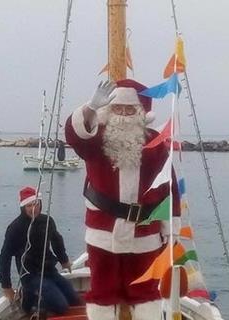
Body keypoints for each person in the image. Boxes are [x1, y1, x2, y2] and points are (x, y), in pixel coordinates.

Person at [65, 79, 181, 320]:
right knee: (103, 293)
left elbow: (168, 186)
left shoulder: (156, 143)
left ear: (141, 113)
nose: (125, 115)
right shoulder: (96, 141)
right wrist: (90, 108)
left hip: (145, 235)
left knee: (145, 292)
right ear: (109, 110)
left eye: (131, 110)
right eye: (119, 109)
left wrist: (170, 228)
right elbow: (75, 136)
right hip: (103, 233)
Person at [0, 186, 80, 315]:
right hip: (30, 275)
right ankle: (28, 297)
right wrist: (6, 286)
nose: (33, 208)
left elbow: (57, 241)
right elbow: (4, 257)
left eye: (36, 204)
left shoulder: (46, 221)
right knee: (61, 307)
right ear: (23, 208)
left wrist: (64, 260)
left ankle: (41, 295)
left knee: (75, 300)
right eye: (29, 206)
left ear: (40, 204)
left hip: (49, 271)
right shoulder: (15, 228)